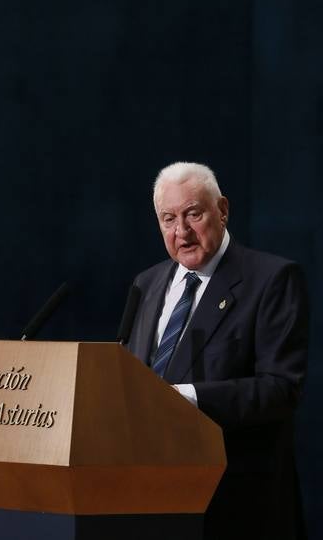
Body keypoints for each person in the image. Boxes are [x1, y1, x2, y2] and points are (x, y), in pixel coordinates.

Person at [125, 161, 309, 539]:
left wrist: (186, 398)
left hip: (235, 506)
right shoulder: (146, 284)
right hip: (149, 499)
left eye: (193, 214)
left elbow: (281, 389)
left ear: (222, 210)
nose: (182, 232)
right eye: (168, 219)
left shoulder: (271, 280)